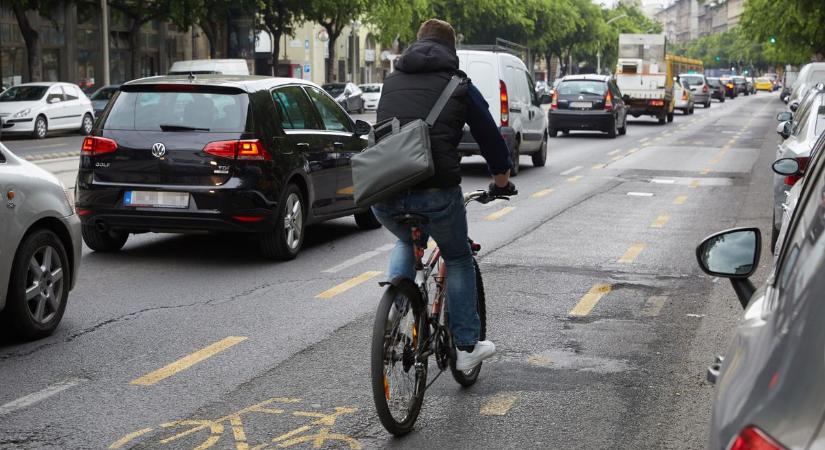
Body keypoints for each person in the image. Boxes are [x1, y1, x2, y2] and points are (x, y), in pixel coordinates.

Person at [372, 19, 515, 371]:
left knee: (406, 240)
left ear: (415, 45)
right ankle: (466, 347)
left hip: (384, 190)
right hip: (436, 190)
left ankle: (395, 312)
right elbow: (489, 135)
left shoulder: (391, 80)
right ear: (451, 50)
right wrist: (501, 179)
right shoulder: (459, 84)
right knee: (458, 255)